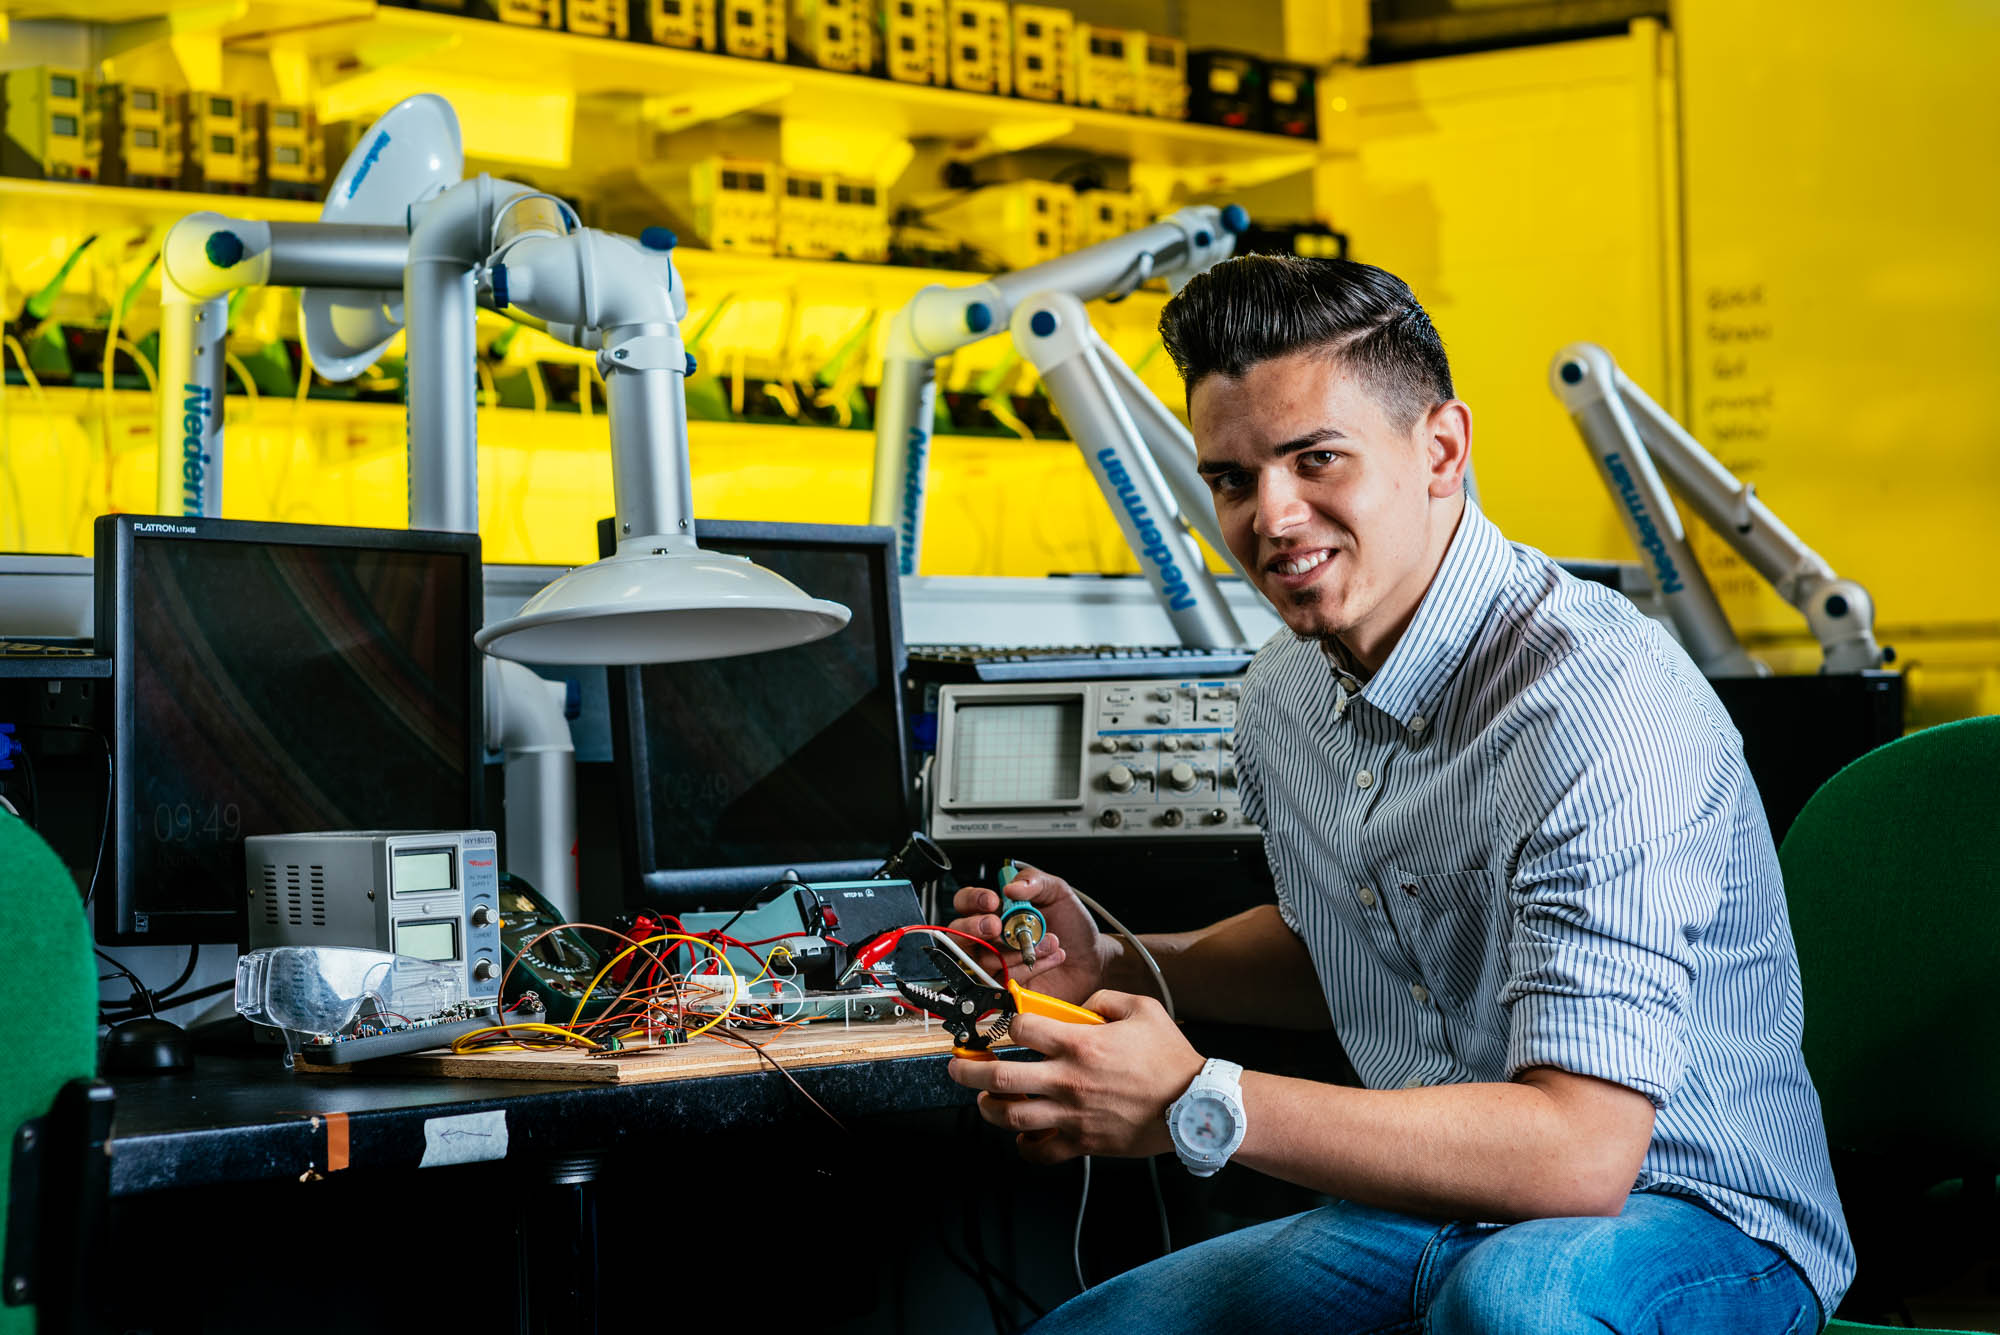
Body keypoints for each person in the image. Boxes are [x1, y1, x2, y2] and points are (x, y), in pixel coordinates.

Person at [944, 256, 1853, 1333]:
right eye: (1231, 479)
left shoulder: (1597, 702)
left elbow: (1577, 1157)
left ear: (1439, 449)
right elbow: (1352, 948)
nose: (1270, 518)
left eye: (1313, 459)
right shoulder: (1282, 692)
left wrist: (1196, 1101)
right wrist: (1125, 960)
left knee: (1511, 1306)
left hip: (1692, 1215)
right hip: (1435, 1212)